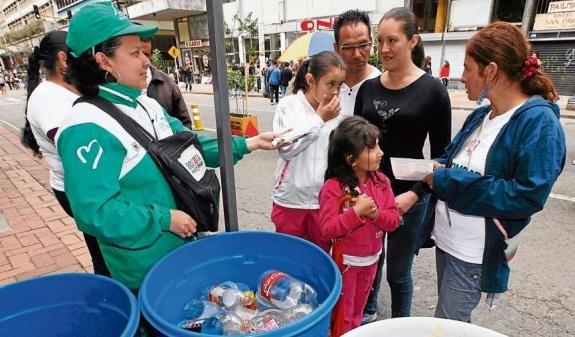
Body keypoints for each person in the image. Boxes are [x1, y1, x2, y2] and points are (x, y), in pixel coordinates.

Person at [56, 1, 285, 292]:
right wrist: (163, 219)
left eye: (144, 52)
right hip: (145, 271)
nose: (145, 62)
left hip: (181, 251)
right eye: (135, 53)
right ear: (104, 61)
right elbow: (96, 212)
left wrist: (248, 143)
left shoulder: (146, 104)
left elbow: (188, 148)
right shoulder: (86, 126)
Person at [418, 21, 566, 323]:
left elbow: (527, 195)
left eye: (468, 68)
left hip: (474, 251)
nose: (462, 76)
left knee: (446, 327)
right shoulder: (481, 115)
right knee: (450, 324)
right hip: (448, 241)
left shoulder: (538, 123)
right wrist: (435, 169)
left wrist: (449, 180)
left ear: (492, 71)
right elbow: (450, 158)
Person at [354, 7, 452, 321]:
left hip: (410, 196)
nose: (383, 49)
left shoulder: (433, 90)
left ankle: (401, 325)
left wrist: (413, 195)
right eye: (379, 41)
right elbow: (357, 141)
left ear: (413, 41)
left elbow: (442, 156)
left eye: (392, 40)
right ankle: (366, 315)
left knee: (398, 272)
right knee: (367, 260)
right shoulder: (368, 88)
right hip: (368, 193)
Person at [20, 31, 111, 277]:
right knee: (105, 254)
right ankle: (112, 301)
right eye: (82, 54)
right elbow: (79, 146)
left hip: (91, 185)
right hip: (78, 189)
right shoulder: (47, 97)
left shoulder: (71, 90)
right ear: (63, 59)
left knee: (108, 249)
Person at [319, 116, 400, 332]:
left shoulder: (381, 182)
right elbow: (327, 229)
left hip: (371, 261)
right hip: (345, 264)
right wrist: (356, 213)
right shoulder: (333, 187)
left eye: (378, 145)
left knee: (358, 314)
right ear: (351, 159)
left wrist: (374, 214)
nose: (380, 152)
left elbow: (392, 221)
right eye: (372, 148)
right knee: (342, 317)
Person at [271, 51, 345, 253]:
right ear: (310, 80)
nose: (335, 92)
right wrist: (319, 119)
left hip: (323, 203)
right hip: (290, 200)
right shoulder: (289, 105)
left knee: (319, 259)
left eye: (339, 85)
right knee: (288, 257)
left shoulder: (338, 113)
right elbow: (285, 148)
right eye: (330, 84)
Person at [333, 9, 381, 117]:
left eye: (363, 45)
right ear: (336, 48)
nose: (357, 54)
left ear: (371, 42)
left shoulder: (382, 85)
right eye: (348, 47)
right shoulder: (329, 84)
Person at [141, 36, 191, 128]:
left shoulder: (167, 83)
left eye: (145, 54)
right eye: (134, 54)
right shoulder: (110, 90)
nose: (142, 60)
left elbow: (184, 124)